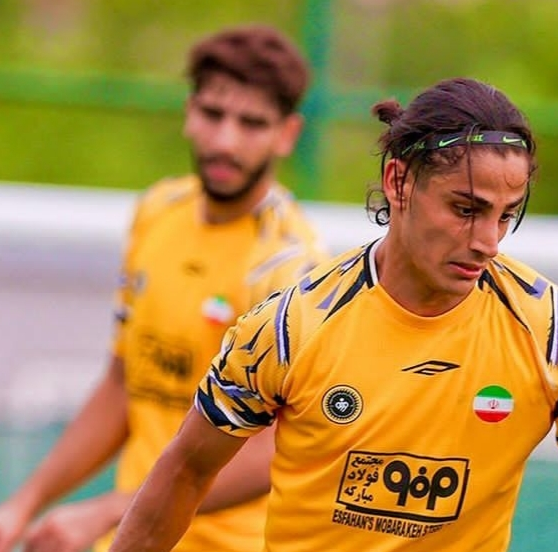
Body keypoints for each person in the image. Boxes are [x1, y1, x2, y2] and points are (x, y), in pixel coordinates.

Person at [106, 77, 558, 552]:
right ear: (398, 181)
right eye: (466, 209)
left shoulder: (555, 332)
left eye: (506, 215)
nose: (488, 241)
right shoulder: (290, 328)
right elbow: (185, 472)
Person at [0, 23, 327, 552]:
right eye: (213, 114)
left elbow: (278, 445)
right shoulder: (158, 212)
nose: (225, 141)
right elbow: (123, 385)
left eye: (251, 123)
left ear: (287, 134)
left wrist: (107, 509)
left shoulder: (289, 266)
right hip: (135, 537)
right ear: (189, 112)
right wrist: (22, 505)